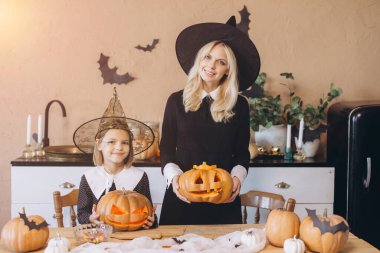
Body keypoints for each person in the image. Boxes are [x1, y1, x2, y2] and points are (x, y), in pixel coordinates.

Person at [159, 16, 260, 225]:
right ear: (199, 60)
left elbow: (241, 152)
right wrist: (175, 179)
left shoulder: (239, 105)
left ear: (228, 69)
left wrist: (237, 179)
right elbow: (167, 148)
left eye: (221, 62)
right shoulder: (176, 101)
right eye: (207, 57)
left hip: (222, 196)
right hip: (182, 196)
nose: (211, 66)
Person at [75, 88, 157, 229]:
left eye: (125, 143)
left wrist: (152, 222)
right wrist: (90, 218)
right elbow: (82, 214)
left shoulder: (140, 177)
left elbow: (146, 210)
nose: (119, 147)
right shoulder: (88, 178)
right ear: (99, 144)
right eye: (111, 142)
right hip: (100, 240)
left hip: (132, 239)